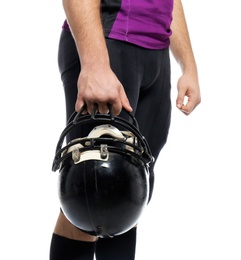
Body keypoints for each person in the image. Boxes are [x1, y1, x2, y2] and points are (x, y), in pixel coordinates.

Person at [49, 0, 201, 259]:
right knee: (93, 194)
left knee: (129, 192)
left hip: (156, 51)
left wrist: (189, 66)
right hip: (108, 42)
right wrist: (95, 64)